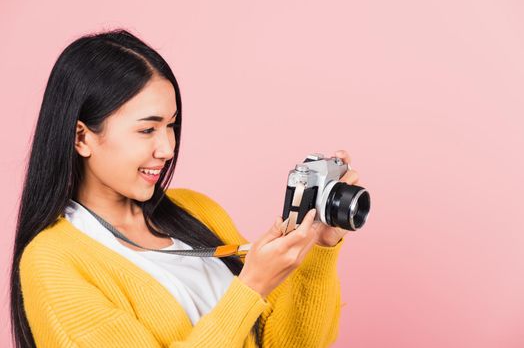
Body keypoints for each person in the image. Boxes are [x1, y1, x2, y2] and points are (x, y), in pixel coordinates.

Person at [9, 29, 359, 348]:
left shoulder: (196, 209)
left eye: (171, 125)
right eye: (147, 130)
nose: (167, 148)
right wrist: (250, 287)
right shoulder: (52, 262)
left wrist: (320, 246)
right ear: (82, 137)